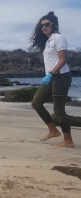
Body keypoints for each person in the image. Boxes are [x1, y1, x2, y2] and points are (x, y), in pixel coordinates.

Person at [29, 11, 74, 148]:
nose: (44, 27)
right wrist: (49, 76)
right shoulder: (48, 41)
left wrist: (51, 73)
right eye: (42, 25)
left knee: (59, 110)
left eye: (47, 24)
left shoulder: (58, 38)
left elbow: (63, 59)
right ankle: (53, 130)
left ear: (53, 25)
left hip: (61, 77)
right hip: (52, 77)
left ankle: (68, 141)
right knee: (36, 103)